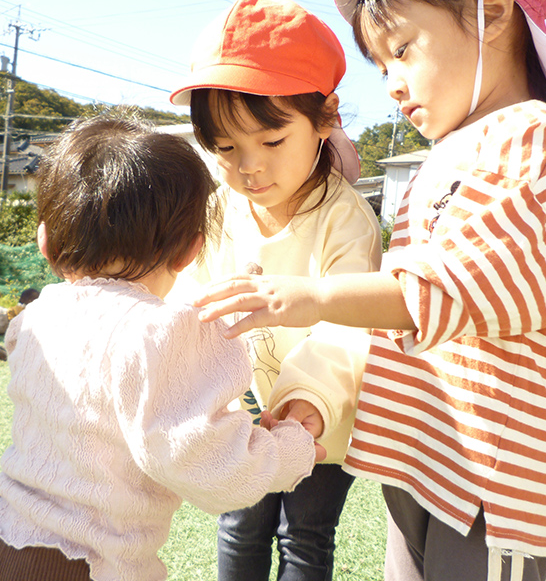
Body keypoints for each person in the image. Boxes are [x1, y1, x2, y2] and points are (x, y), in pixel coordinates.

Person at [191, 0, 546, 581]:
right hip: (422, 453)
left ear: (493, 12)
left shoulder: (533, 135)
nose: (390, 81)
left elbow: (465, 285)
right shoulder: (449, 151)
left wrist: (309, 297)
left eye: (401, 50)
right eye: (379, 62)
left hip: (491, 483)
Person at [0, 113, 321, 581]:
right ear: (191, 251)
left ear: (44, 242)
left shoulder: (33, 320)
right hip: (88, 564)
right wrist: (292, 445)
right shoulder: (158, 336)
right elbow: (216, 469)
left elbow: (113, 336)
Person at [168, 0, 382, 581]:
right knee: (238, 526)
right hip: (239, 410)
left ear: (326, 117)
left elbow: (351, 322)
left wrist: (308, 402)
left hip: (318, 421)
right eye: (226, 148)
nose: (249, 168)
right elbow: (190, 296)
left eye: (270, 141)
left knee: (304, 536)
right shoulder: (218, 210)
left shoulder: (344, 219)